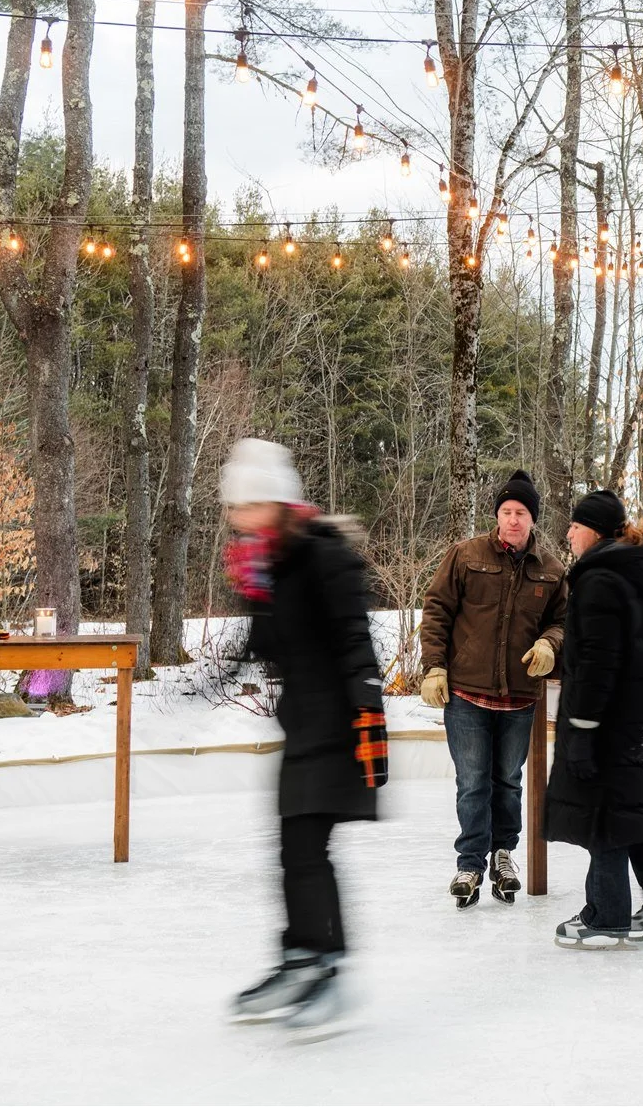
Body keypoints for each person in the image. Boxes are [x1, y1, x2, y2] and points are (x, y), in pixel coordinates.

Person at [221, 440, 385, 1032]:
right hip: (303, 724)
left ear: (273, 502)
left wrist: (369, 709)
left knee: (307, 848)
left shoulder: (324, 555)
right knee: (296, 848)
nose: (236, 519)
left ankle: (323, 965)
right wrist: (254, 595)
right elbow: (267, 647)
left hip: (340, 723)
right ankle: (302, 956)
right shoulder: (273, 562)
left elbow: (352, 634)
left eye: (244, 507)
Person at [546, 491, 643, 948]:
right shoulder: (630, 571)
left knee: (604, 811)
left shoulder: (600, 579)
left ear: (596, 530)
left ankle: (606, 915)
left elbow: (596, 663)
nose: (568, 533)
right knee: (636, 810)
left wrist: (583, 729)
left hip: (607, 722)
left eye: (575, 525)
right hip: (634, 717)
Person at [417, 469, 566, 908]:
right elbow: (437, 610)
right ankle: (469, 862)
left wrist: (549, 643)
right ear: (496, 516)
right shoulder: (465, 556)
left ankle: (503, 854)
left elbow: (563, 622)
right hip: (465, 692)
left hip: (520, 696)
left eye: (521, 512)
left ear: (533, 518)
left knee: (508, 780)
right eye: (506, 511)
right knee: (472, 782)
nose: (513, 520)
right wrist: (433, 668)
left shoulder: (552, 570)